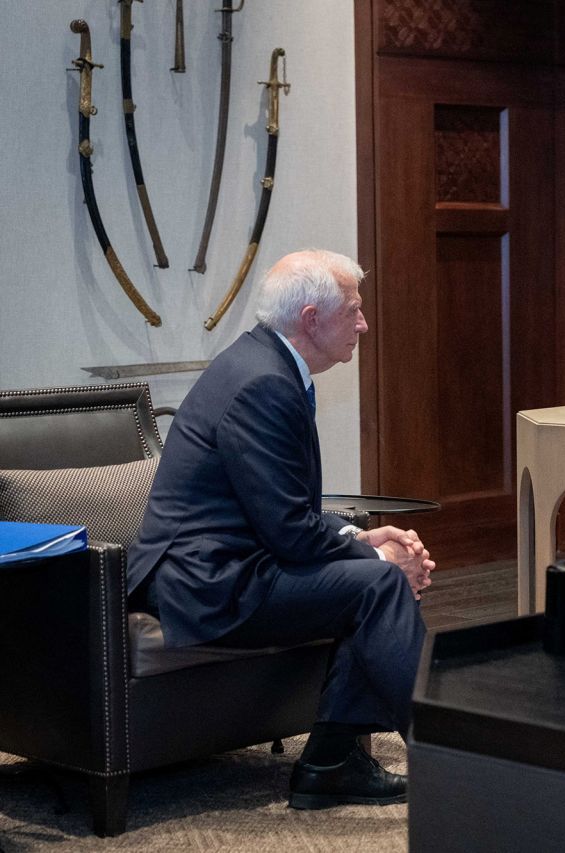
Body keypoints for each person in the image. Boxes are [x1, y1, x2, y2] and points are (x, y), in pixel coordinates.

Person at [128, 249, 432, 810]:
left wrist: (363, 540)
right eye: (354, 311)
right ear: (312, 318)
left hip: (237, 562)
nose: (363, 324)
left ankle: (332, 764)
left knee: (372, 584)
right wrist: (380, 560)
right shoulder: (263, 383)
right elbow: (290, 530)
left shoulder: (266, 363)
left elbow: (285, 512)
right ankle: (451, 762)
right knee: (380, 586)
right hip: (210, 584)